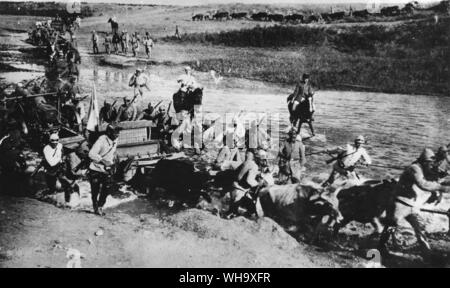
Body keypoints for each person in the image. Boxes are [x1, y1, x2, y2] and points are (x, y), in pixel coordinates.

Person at [378, 148, 450, 258]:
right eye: (430, 163)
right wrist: (442, 188)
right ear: (424, 161)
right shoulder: (414, 168)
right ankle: (380, 247)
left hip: (411, 205)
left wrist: (444, 183)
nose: (431, 165)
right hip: (400, 203)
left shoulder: (423, 169)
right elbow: (423, 184)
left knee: (419, 228)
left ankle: (426, 251)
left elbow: (433, 180)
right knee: (391, 226)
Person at [88, 124, 120, 216]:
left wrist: (113, 159)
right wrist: (103, 161)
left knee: (107, 188)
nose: (117, 134)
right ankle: (95, 205)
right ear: (109, 132)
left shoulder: (116, 140)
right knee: (95, 189)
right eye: (115, 132)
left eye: (118, 132)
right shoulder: (102, 140)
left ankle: (100, 206)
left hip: (107, 170)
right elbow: (91, 154)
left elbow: (113, 151)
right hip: (96, 168)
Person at [228, 149, 262, 217]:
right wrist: (258, 184)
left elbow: (239, 176)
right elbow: (245, 179)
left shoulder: (247, 163)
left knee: (233, 211)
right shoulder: (251, 164)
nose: (246, 155)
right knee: (235, 212)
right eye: (246, 153)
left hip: (237, 189)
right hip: (240, 190)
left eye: (248, 154)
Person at [43, 132, 73, 203]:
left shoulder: (60, 145)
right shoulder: (46, 149)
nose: (55, 142)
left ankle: (67, 202)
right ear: (50, 141)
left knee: (67, 185)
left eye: (56, 140)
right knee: (52, 188)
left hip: (59, 168)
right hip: (50, 169)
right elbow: (51, 163)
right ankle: (49, 199)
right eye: (53, 140)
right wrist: (59, 159)